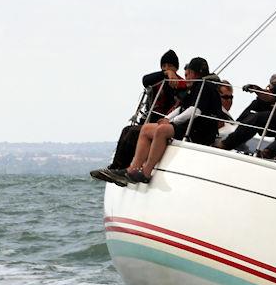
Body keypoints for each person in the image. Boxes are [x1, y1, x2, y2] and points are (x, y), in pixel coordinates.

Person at [111, 57, 222, 184]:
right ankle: (133, 169)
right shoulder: (195, 87)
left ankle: (146, 172)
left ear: (193, 73)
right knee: (146, 129)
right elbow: (182, 108)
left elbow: (195, 111)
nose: (187, 76)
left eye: (189, 73)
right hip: (189, 126)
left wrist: (172, 122)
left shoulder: (206, 87)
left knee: (163, 130)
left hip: (199, 131)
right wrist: (166, 118)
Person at [90, 49, 187, 183]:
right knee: (126, 130)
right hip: (149, 120)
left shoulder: (178, 83)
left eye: (169, 66)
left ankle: (123, 169)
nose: (166, 68)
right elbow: (145, 80)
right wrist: (165, 73)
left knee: (134, 133)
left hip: (161, 121)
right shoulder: (159, 78)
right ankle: (115, 167)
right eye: (163, 66)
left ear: (176, 67)